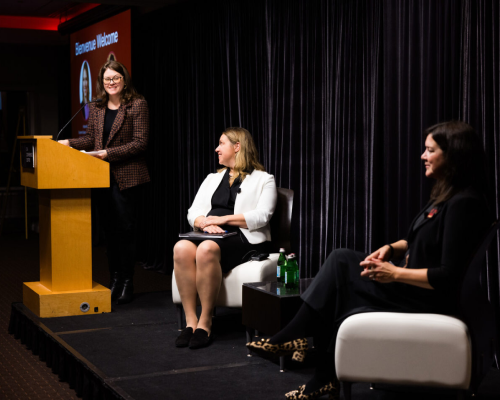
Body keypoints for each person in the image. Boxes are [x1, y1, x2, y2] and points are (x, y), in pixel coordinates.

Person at [247, 121, 493, 400]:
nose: (422, 156)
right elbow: (418, 241)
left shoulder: (465, 204)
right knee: (340, 276)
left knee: (340, 265)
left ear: (453, 155)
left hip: (427, 298)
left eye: (430, 150)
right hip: (412, 288)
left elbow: (448, 276)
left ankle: (300, 342)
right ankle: (319, 372)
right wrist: (391, 248)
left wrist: (394, 274)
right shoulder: (445, 195)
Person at [174, 127, 277, 349]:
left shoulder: (264, 179)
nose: (216, 149)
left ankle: (206, 321)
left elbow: (262, 216)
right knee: (181, 247)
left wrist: (221, 221)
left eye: (221, 144)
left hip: (244, 238)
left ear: (237, 146)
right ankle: (190, 322)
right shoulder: (213, 178)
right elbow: (193, 211)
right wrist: (203, 223)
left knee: (207, 249)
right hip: (210, 233)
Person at [59, 60, 150, 305]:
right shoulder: (97, 108)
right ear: (102, 82)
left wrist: (107, 154)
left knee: (125, 232)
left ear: (124, 79)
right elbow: (91, 139)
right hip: (100, 177)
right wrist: (69, 143)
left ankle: (128, 282)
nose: (111, 83)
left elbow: (140, 143)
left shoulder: (137, 104)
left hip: (128, 178)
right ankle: (114, 280)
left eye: (115, 78)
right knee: (110, 233)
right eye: (107, 79)